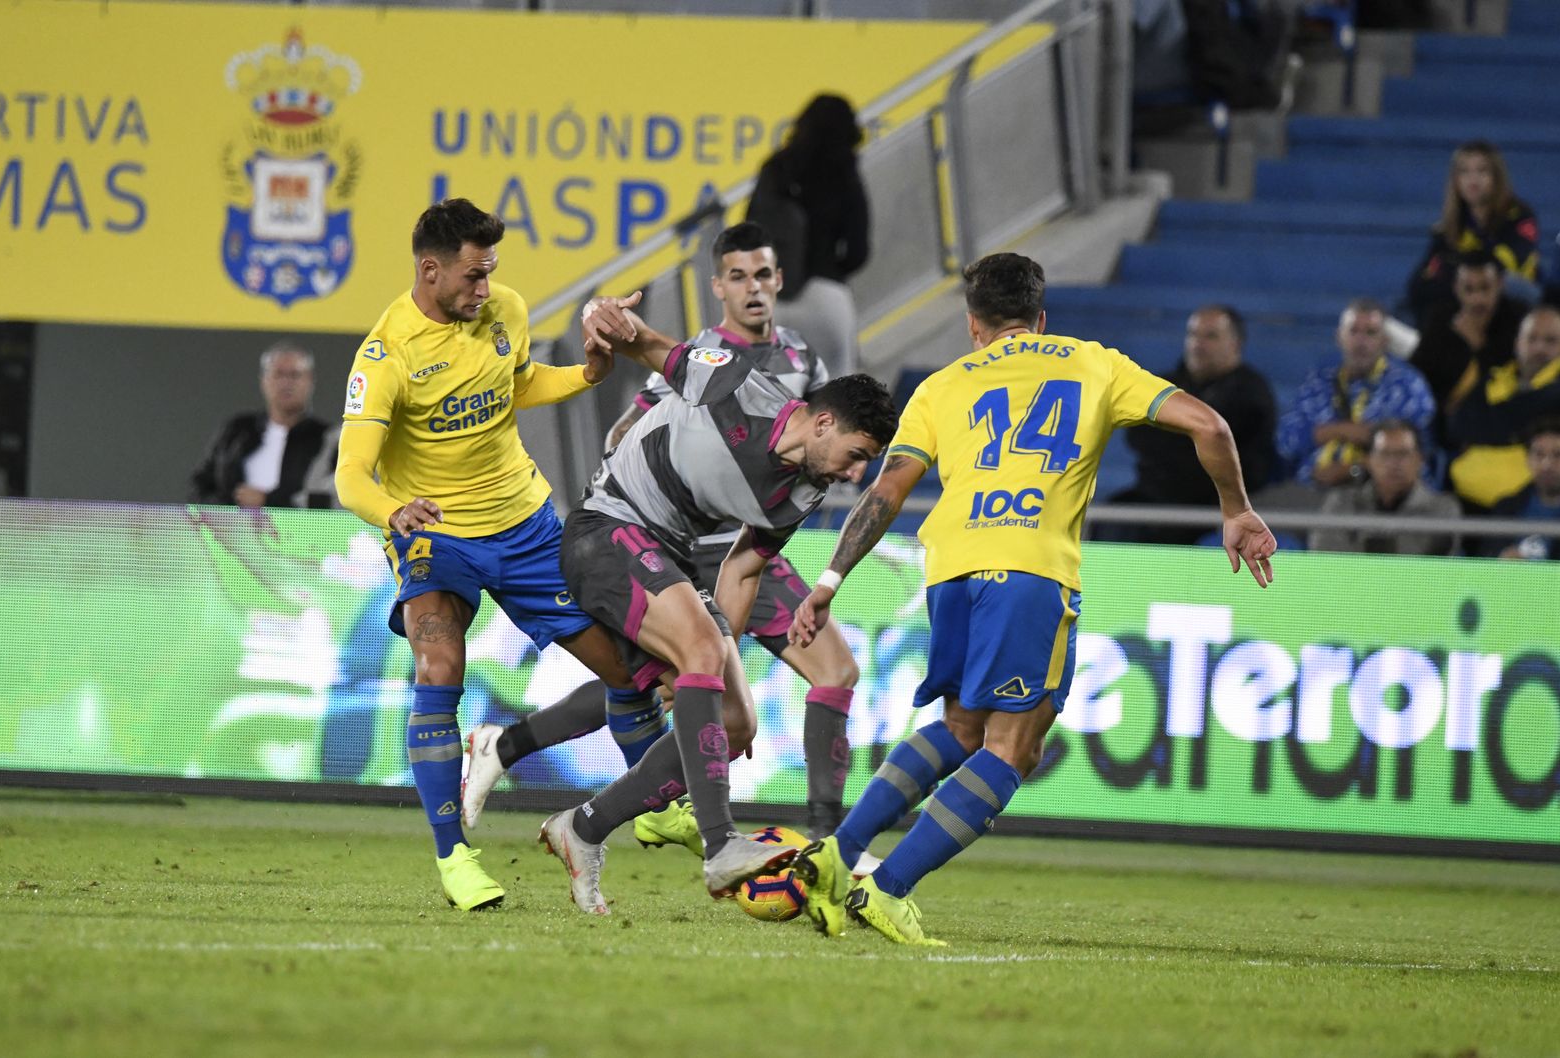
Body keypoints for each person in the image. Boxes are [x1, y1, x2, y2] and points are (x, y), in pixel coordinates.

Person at [787, 253, 1276, 946]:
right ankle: (886, 890)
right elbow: (1212, 427)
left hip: (949, 569)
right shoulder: (1096, 363)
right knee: (1013, 748)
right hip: (1029, 571)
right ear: (1041, 317)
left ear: (972, 324)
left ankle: (836, 856)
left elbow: (884, 493)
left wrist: (830, 581)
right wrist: (1235, 510)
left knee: (961, 727)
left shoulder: (942, 385)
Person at [499, 293, 898, 915]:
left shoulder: (804, 492)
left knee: (735, 723)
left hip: (671, 558)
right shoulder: (736, 383)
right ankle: (720, 847)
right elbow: (644, 344)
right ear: (823, 423)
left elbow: (742, 568)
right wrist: (602, 315)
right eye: (856, 457)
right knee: (701, 658)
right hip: (605, 529)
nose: (853, 476)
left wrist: (710, 661)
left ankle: (583, 827)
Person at [333, 198, 638, 912]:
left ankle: (646, 800)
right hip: (434, 536)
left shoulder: (506, 310)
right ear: (429, 269)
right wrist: (394, 512)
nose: (484, 288)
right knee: (438, 667)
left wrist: (586, 375)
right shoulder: (386, 355)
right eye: (472, 276)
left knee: (629, 668)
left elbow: (518, 382)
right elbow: (351, 473)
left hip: (524, 524)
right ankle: (454, 857)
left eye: (490, 272)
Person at [1109, 304, 1277, 543]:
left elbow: (1236, 450)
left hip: (1213, 503)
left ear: (1236, 344)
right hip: (1155, 495)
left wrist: (1179, 441)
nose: (1198, 344)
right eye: (1193, 334)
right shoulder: (1165, 383)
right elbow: (1139, 435)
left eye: (1210, 336)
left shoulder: (1251, 393)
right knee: (1111, 514)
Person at [746, 93, 870, 377]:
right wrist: (831, 270)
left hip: (772, 298)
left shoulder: (776, 170)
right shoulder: (844, 173)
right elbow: (858, 250)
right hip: (826, 295)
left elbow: (748, 234)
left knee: (768, 400)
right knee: (838, 402)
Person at [1276, 298, 1436, 489]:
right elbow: (1285, 441)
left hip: (1377, 494)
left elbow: (1418, 455)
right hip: (1310, 487)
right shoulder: (1318, 382)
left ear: (1384, 341)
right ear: (1339, 337)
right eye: (1353, 331)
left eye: (1370, 333)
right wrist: (1341, 431)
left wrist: (1353, 469)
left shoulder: (1407, 385)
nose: (1361, 341)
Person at [1448, 306, 1560, 509]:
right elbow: (1458, 426)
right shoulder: (1495, 379)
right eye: (1531, 339)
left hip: (1546, 502)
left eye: (1550, 341)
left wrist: (1489, 429)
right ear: (1518, 344)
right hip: (1471, 499)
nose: (1539, 348)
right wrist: (1515, 431)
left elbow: (1550, 400)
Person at [1406, 141, 1540, 324]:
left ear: (1497, 177)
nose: (1473, 179)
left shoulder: (1520, 216)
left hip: (1513, 300)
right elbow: (1419, 283)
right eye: (1464, 172)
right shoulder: (1448, 227)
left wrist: (1452, 267)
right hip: (1461, 297)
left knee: (1501, 284)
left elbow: (1500, 266)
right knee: (1403, 306)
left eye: (1482, 171)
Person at [190, 343, 330, 508]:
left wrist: (269, 501)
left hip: (297, 532)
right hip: (236, 530)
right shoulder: (238, 431)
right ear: (264, 380)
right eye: (278, 374)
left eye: (295, 375)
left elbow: (334, 499)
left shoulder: (327, 439)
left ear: (310, 381)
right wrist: (225, 511)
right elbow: (201, 486)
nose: (286, 383)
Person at [1307, 419, 1461, 556]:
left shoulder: (1443, 509)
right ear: (1368, 460)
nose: (1394, 463)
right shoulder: (1340, 502)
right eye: (1384, 454)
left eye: (1403, 454)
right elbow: (1324, 556)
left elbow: (1425, 566)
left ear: (1420, 460)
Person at [1408, 252, 1528, 420]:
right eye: (1468, 289)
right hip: (1444, 420)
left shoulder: (1519, 320)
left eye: (1485, 288)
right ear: (1456, 288)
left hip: (1502, 416)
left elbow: (1518, 379)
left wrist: (1477, 344)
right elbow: (1418, 372)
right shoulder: (1442, 318)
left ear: (1500, 285)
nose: (1477, 299)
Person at [1477, 419, 1560, 561]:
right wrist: (1500, 560)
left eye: (1558, 455)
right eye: (1539, 454)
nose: (1547, 464)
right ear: (1528, 460)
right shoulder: (1505, 508)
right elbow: (1484, 561)